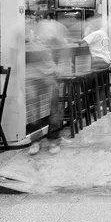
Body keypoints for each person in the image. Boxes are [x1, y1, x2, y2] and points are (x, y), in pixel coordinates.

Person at [26, 15, 72, 155]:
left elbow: (65, 47)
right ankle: (35, 140)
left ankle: (53, 140)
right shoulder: (26, 29)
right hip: (31, 75)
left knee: (53, 108)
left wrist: (60, 67)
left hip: (48, 74)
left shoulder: (51, 27)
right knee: (33, 110)